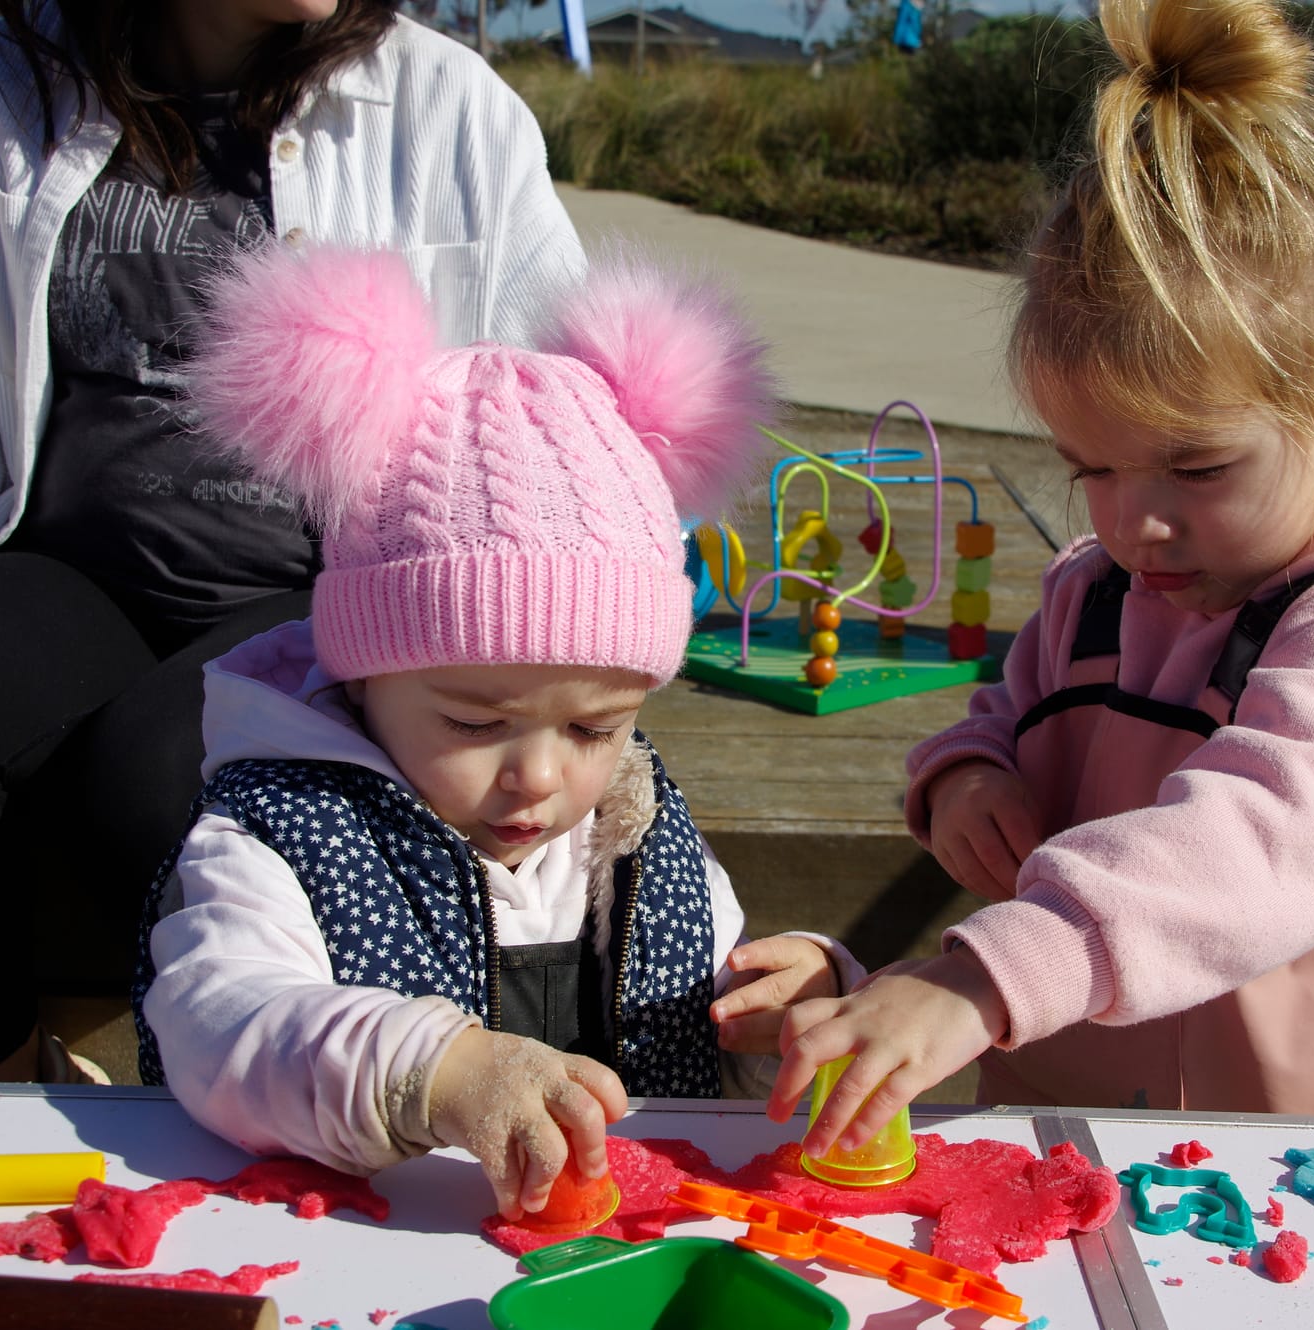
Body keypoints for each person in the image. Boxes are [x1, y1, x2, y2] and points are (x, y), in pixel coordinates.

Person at [768, 0, 1314, 1160]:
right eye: (1088, 465)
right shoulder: (1092, 591)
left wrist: (987, 979)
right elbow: (1009, 710)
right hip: (1077, 1132)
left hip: (1303, 1174)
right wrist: (963, 776)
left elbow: (1265, 836)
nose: (1132, 522)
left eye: (1195, 464)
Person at [0, 0, 586, 1084]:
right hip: (71, 566)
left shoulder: (442, 106)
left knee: (166, 771)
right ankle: (8, 1079)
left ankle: (250, 1115)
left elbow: (550, 411)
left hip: (324, 584)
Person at [136, 242, 860, 1217]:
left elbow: (711, 1014)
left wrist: (801, 995)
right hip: (366, 1251)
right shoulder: (280, 829)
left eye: (594, 725)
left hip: (612, 1250)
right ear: (363, 677)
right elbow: (222, 1026)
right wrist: (433, 1072)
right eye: (476, 720)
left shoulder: (633, 830)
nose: (540, 774)